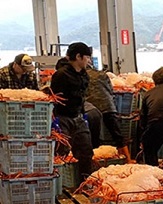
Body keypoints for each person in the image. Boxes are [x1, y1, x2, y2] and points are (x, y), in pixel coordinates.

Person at [50, 42, 94, 178]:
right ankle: (61, 184)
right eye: (87, 57)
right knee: (62, 151)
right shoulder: (61, 75)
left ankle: (85, 182)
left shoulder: (84, 75)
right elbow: (54, 98)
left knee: (86, 151)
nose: (89, 60)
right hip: (63, 118)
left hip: (79, 117)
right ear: (78, 56)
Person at [85, 66, 133, 163]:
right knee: (117, 134)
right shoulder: (102, 74)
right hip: (108, 105)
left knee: (94, 137)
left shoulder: (81, 76)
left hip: (92, 108)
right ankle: (128, 159)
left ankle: (96, 161)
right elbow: (110, 90)